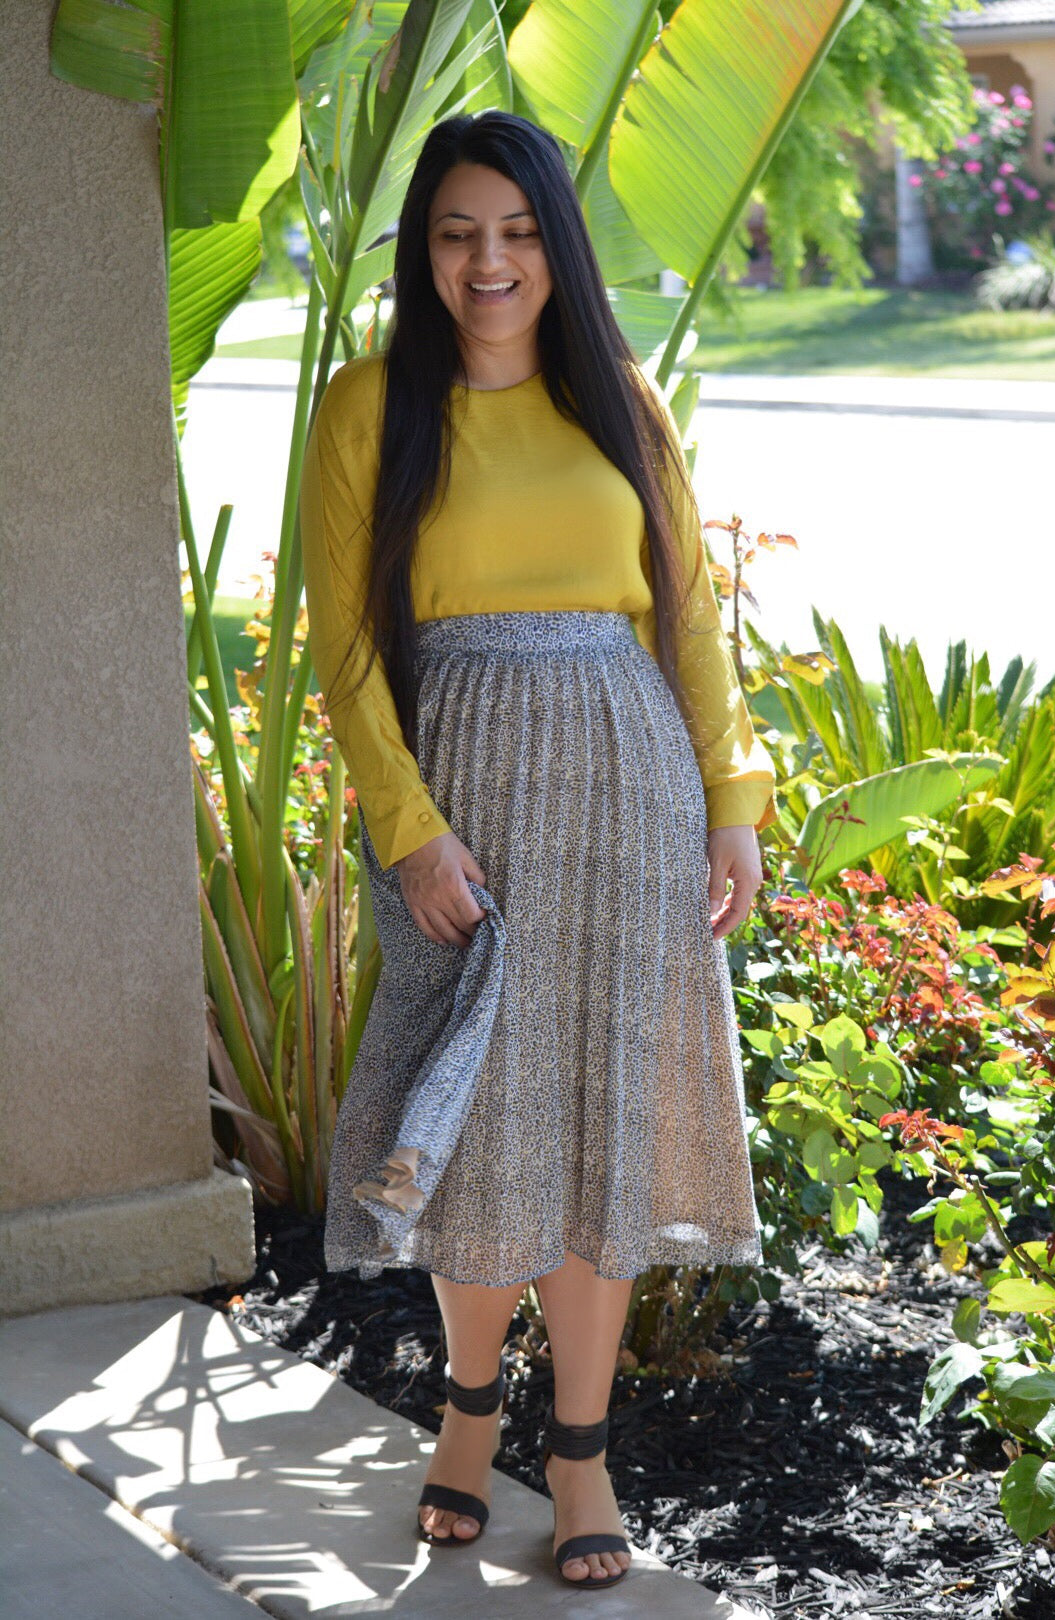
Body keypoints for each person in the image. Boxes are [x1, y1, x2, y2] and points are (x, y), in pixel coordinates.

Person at [298, 108, 777, 1591]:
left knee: (595, 1126)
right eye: (458, 233)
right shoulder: (369, 407)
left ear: (557, 249)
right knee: (477, 1126)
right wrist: (411, 833)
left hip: (629, 796)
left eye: (515, 231)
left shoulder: (622, 401)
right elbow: (347, 650)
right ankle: (467, 1413)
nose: (488, 259)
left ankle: (580, 1453)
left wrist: (733, 796)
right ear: (424, 253)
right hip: (465, 818)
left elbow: (687, 618)